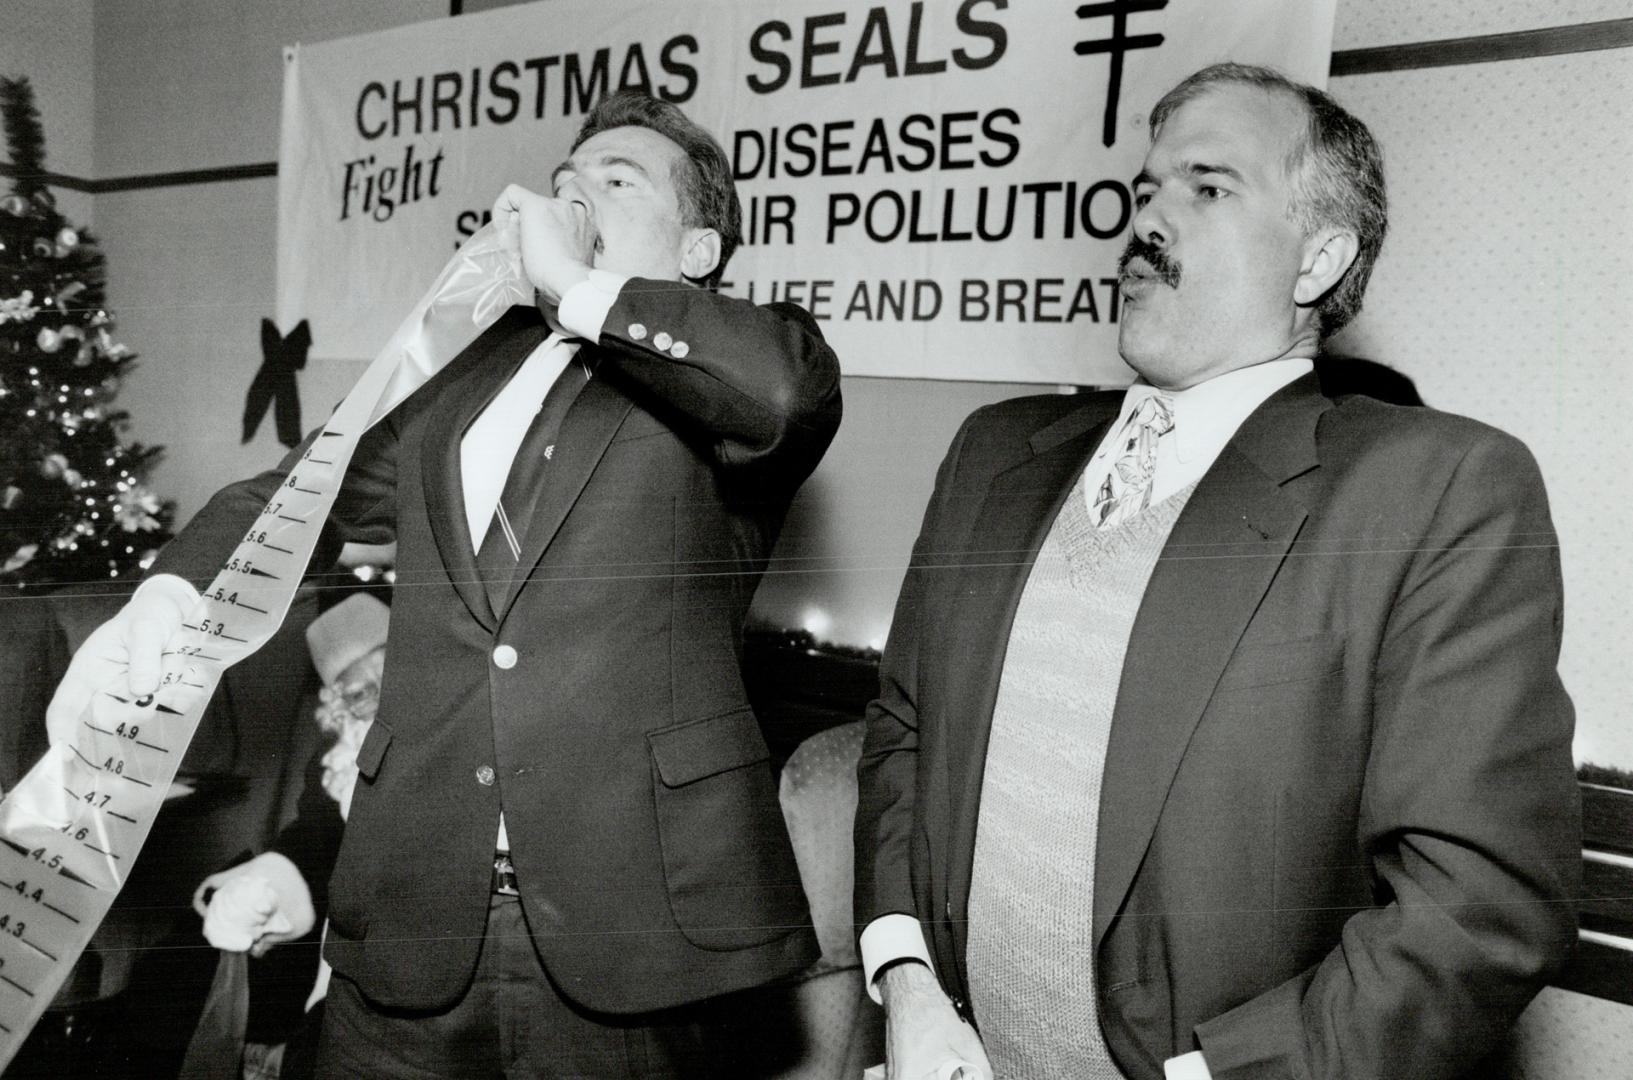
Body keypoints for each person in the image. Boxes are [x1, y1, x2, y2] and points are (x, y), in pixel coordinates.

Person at [49, 89, 842, 1077]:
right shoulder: (459, 377)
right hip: (411, 922)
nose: (565, 197)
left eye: (615, 179)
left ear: (697, 251)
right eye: (561, 183)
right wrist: (171, 592)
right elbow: (299, 492)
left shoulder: (746, 362)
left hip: (627, 939)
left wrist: (573, 282)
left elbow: (779, 397)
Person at [853, 63, 1579, 1080]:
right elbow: (902, 734)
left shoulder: (1434, 490)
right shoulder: (992, 458)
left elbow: (1478, 905)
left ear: (1318, 259)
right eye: (1146, 189)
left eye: (1205, 187)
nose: (1147, 219)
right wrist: (906, 983)